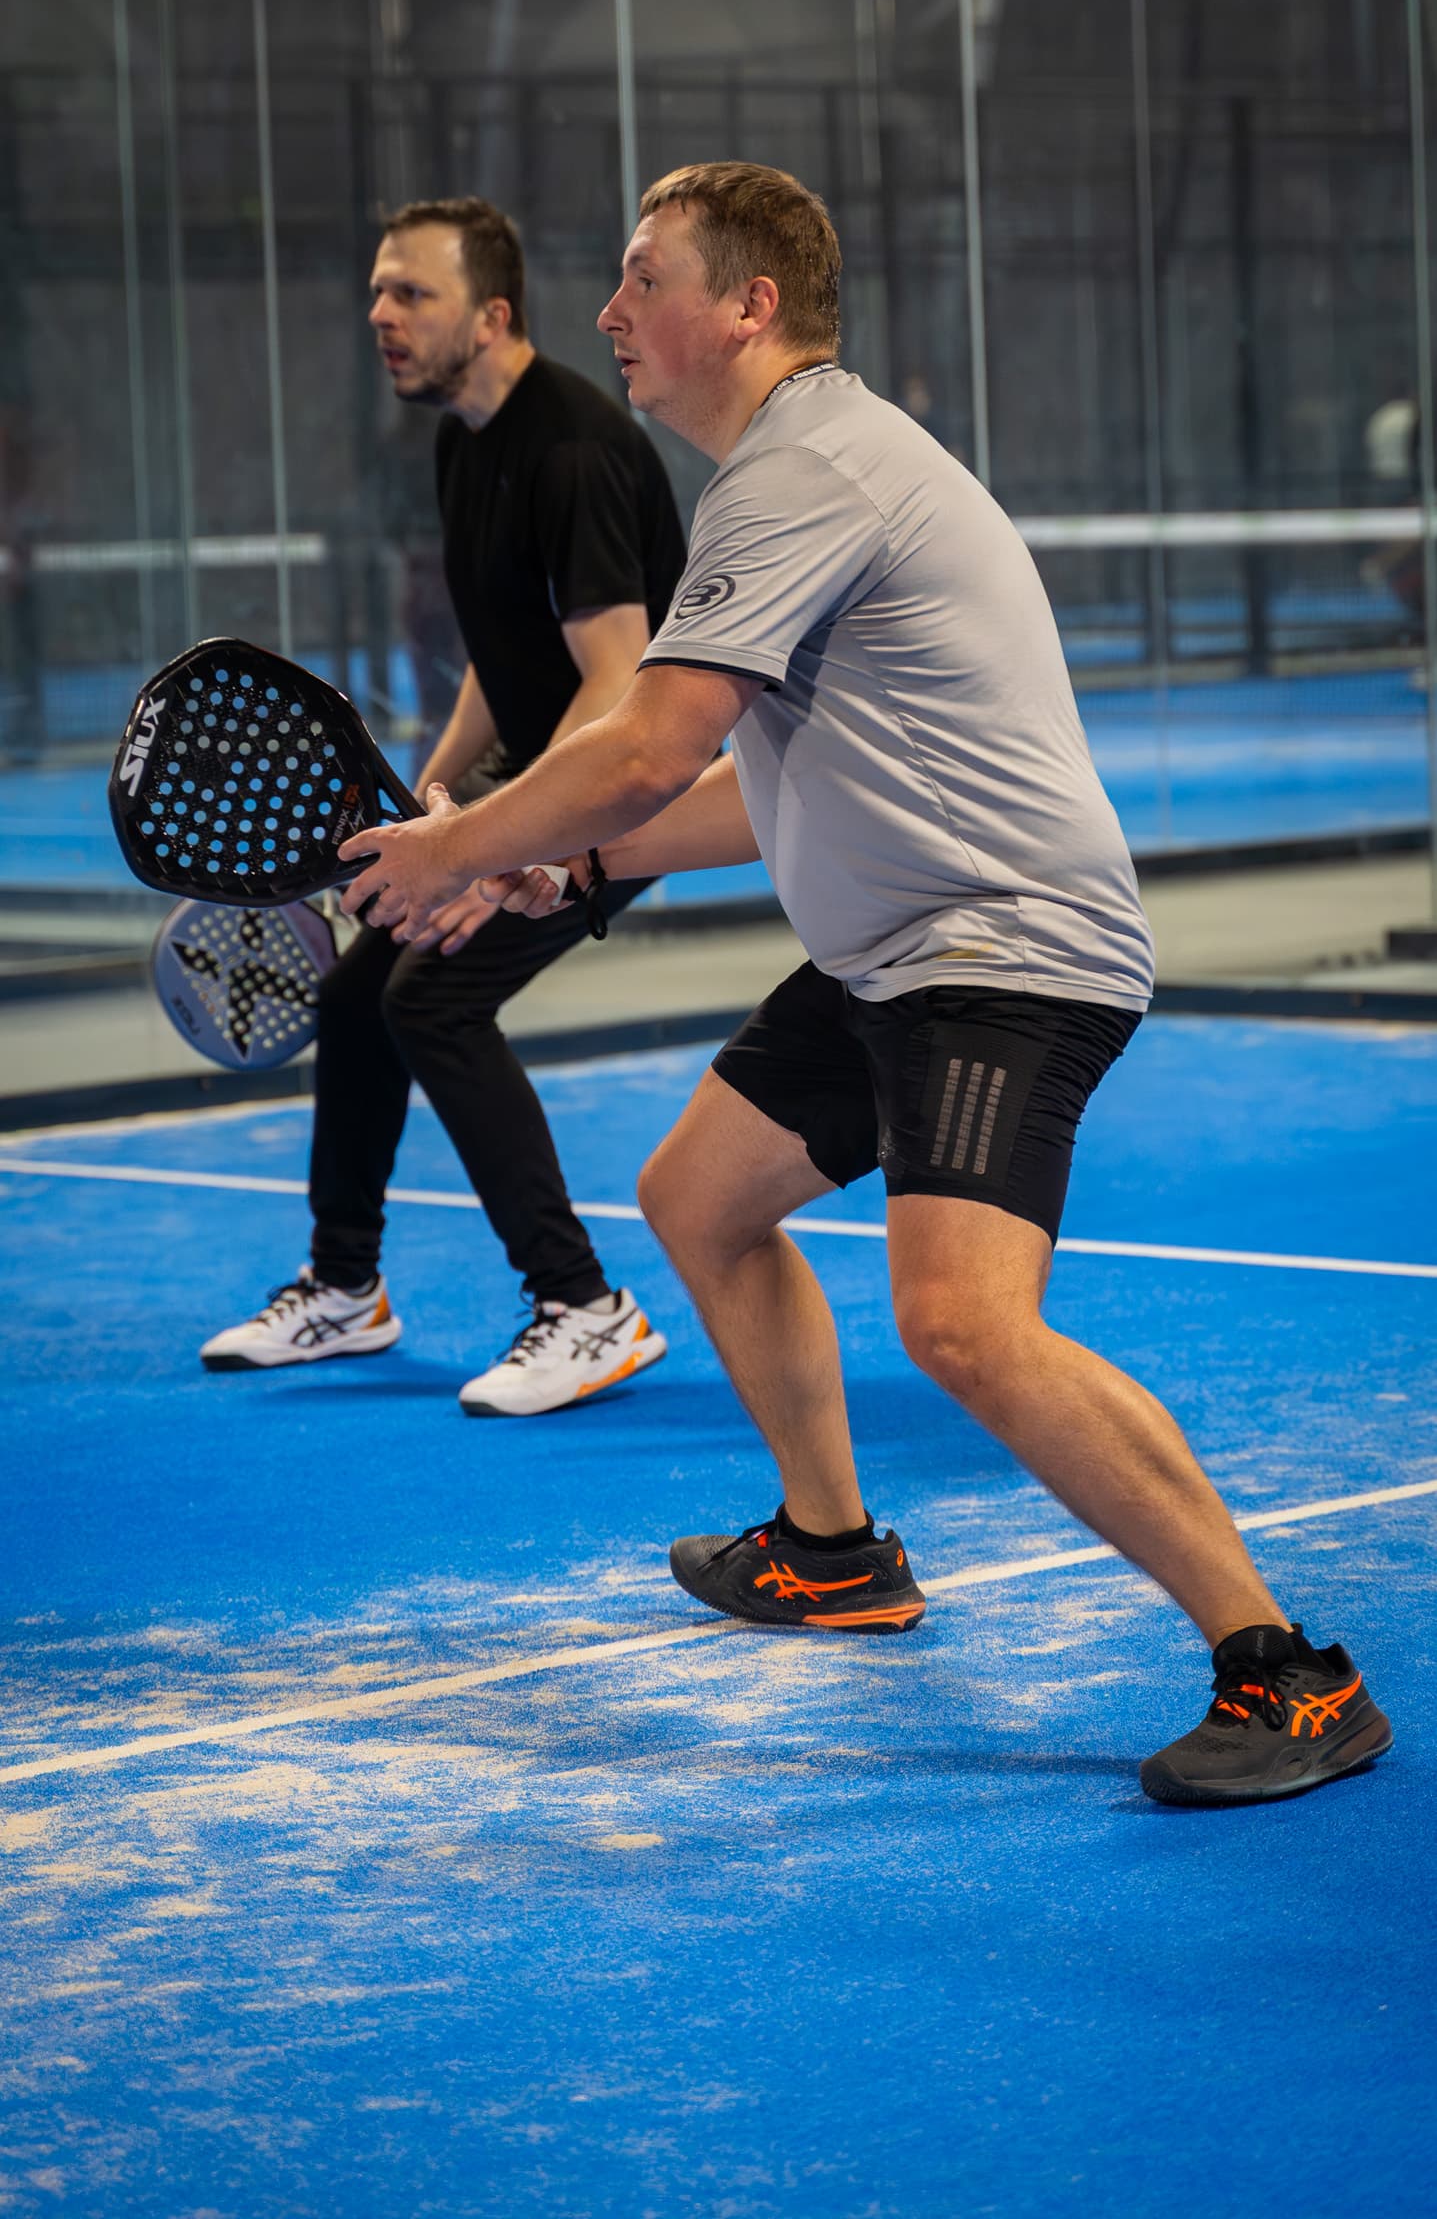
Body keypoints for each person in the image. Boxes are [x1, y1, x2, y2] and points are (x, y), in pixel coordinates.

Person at [340, 162, 1391, 1806]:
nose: (609, 314)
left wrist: (459, 843)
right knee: (699, 1198)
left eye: (645, 279)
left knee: (963, 1325)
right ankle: (832, 1551)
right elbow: (752, 782)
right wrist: (572, 864)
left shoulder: (803, 470)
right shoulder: (786, 474)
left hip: (1003, 950)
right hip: (898, 946)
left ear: (749, 305)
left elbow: (649, 743)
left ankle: (1288, 1674)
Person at [202, 196, 685, 1418]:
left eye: (411, 292)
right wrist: (432, 797)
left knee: (433, 1001)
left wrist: (493, 842)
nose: (382, 313)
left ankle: (585, 1309)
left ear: (493, 316)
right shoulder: (466, 440)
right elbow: (501, 650)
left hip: (626, 796)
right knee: (357, 997)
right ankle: (346, 1289)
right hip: (533, 778)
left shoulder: (571, 450)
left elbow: (618, 686)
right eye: (379, 290)